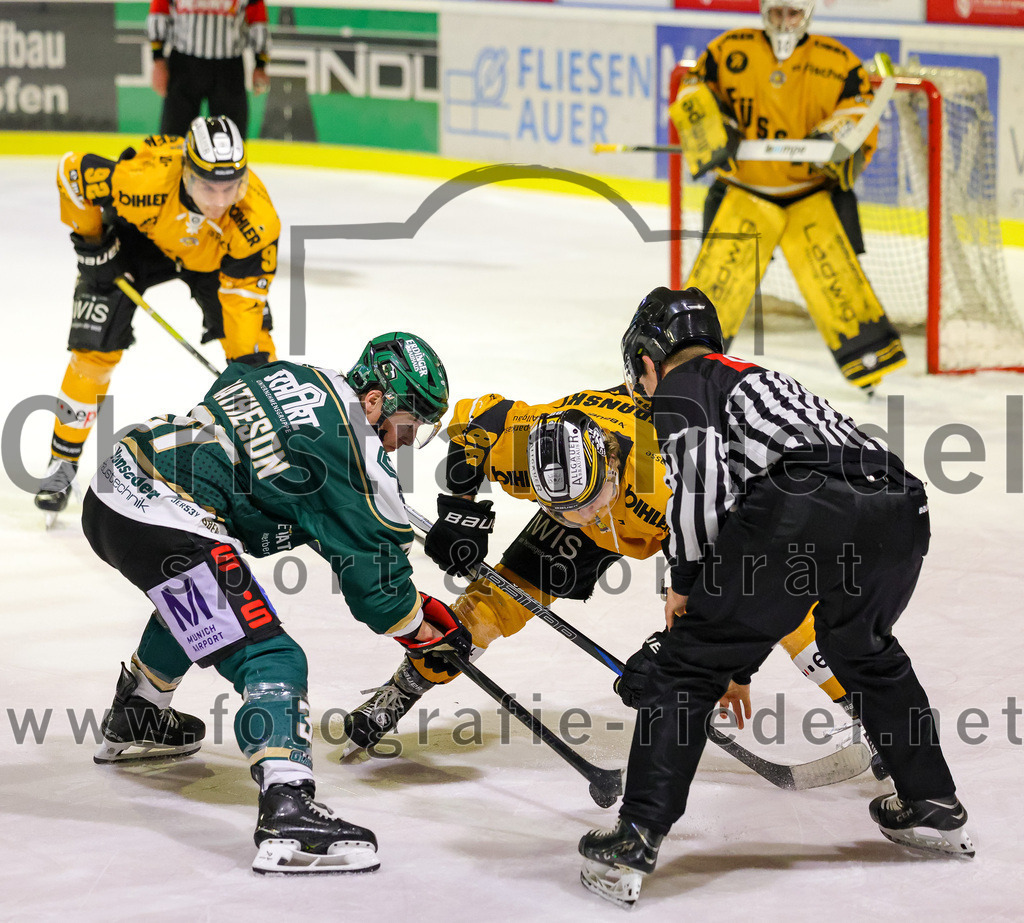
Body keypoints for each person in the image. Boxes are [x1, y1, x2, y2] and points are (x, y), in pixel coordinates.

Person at [577, 287, 973, 909]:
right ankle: (932, 799)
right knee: (862, 649)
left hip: (809, 503)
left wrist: (685, 590)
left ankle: (636, 837)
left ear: (650, 358)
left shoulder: (685, 384)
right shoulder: (763, 380)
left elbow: (703, 490)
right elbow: (766, 569)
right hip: (899, 505)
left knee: (685, 666)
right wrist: (736, 655)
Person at [83, 332, 471, 874]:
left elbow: (236, 392)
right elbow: (378, 589)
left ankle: (140, 712)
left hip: (114, 486)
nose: (408, 441)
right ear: (377, 400)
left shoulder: (302, 375)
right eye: (410, 424)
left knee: (199, 600)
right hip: (166, 518)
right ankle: (287, 806)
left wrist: (311, 513)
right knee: (274, 658)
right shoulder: (357, 454)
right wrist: (416, 625)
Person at [343, 386, 874, 759]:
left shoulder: (670, 479)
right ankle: (402, 689)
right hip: (585, 501)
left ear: (612, 463)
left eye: (592, 500)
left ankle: (870, 715)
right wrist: (462, 514)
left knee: (786, 610)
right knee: (488, 606)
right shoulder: (534, 446)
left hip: (670, 525)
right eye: (569, 505)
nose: (587, 516)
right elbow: (474, 417)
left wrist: (709, 666)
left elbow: (728, 578)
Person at [36, 115, 278, 519]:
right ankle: (62, 460)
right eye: (207, 186)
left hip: (213, 260)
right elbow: (71, 171)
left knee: (255, 358)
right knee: (93, 353)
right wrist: (92, 241)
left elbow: (242, 300)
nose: (219, 202)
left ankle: (266, 462)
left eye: (230, 187)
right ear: (185, 173)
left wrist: (248, 367)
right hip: (138, 240)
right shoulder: (141, 181)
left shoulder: (256, 221)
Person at [672, 0, 905, 392]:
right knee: (717, 291)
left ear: (808, 13)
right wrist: (715, 125)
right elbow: (692, 89)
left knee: (838, 286)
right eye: (776, 13)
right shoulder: (728, 49)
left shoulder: (837, 61)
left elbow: (860, 109)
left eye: (792, 14)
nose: (783, 22)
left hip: (809, 197)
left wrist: (834, 134)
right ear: (764, 11)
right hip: (744, 191)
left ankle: (870, 366)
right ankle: (687, 372)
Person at [147, 0, 270, 140]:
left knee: (231, 137)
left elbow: (257, 19)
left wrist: (260, 65)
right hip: (184, 64)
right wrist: (158, 60)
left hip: (229, 68)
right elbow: (159, 11)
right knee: (173, 136)